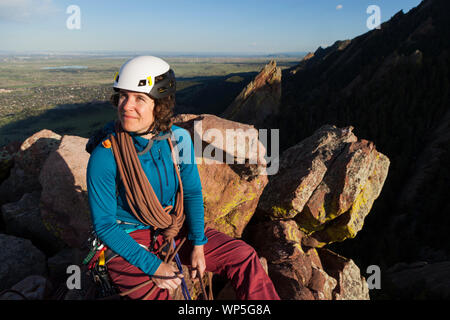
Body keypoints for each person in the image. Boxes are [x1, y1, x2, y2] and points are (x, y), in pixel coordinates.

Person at [86, 55, 280, 300]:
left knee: (243, 256)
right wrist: (154, 266)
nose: (126, 105)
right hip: (127, 237)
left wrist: (198, 244)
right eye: (123, 95)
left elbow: (191, 191)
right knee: (161, 294)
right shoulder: (105, 154)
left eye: (139, 98)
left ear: (160, 104)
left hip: (172, 228)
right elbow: (105, 226)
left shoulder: (177, 139)